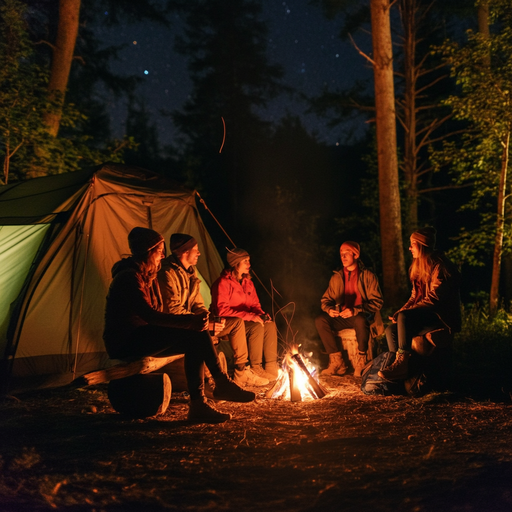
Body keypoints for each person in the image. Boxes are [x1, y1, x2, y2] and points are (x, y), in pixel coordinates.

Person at [103, 227, 255, 424]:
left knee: (196, 336)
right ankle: (217, 386)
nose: (162, 256)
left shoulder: (148, 275)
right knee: (195, 333)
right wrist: (189, 322)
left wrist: (200, 319)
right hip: (125, 340)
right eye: (159, 252)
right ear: (148, 252)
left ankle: (202, 400)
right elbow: (150, 315)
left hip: (142, 335)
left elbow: (162, 312)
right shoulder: (129, 278)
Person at [378, 226, 461, 381]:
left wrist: (406, 313)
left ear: (422, 245)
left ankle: (402, 364)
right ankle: (398, 369)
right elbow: (415, 296)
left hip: (441, 318)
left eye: (413, 244)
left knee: (404, 317)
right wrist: (401, 310)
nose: (409, 248)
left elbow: (434, 299)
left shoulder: (441, 266)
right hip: (426, 315)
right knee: (391, 330)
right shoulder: (419, 265)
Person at [315, 241, 384, 377]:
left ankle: (361, 361)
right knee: (321, 320)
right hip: (343, 316)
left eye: (347, 253)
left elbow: (377, 302)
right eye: (341, 254)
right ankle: (337, 362)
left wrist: (356, 310)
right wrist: (329, 309)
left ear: (356, 255)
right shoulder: (337, 277)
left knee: (359, 320)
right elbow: (325, 300)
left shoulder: (368, 276)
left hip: (363, 316)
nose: (343, 257)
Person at [210, 247, 279, 383]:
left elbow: (255, 305)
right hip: (226, 323)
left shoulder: (248, 283)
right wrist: (251, 317)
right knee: (257, 327)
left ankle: (271, 367)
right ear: (236, 264)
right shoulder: (223, 283)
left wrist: (261, 314)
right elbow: (222, 311)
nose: (249, 264)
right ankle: (255, 367)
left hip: (243, 321)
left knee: (269, 324)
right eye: (245, 261)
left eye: (249, 261)